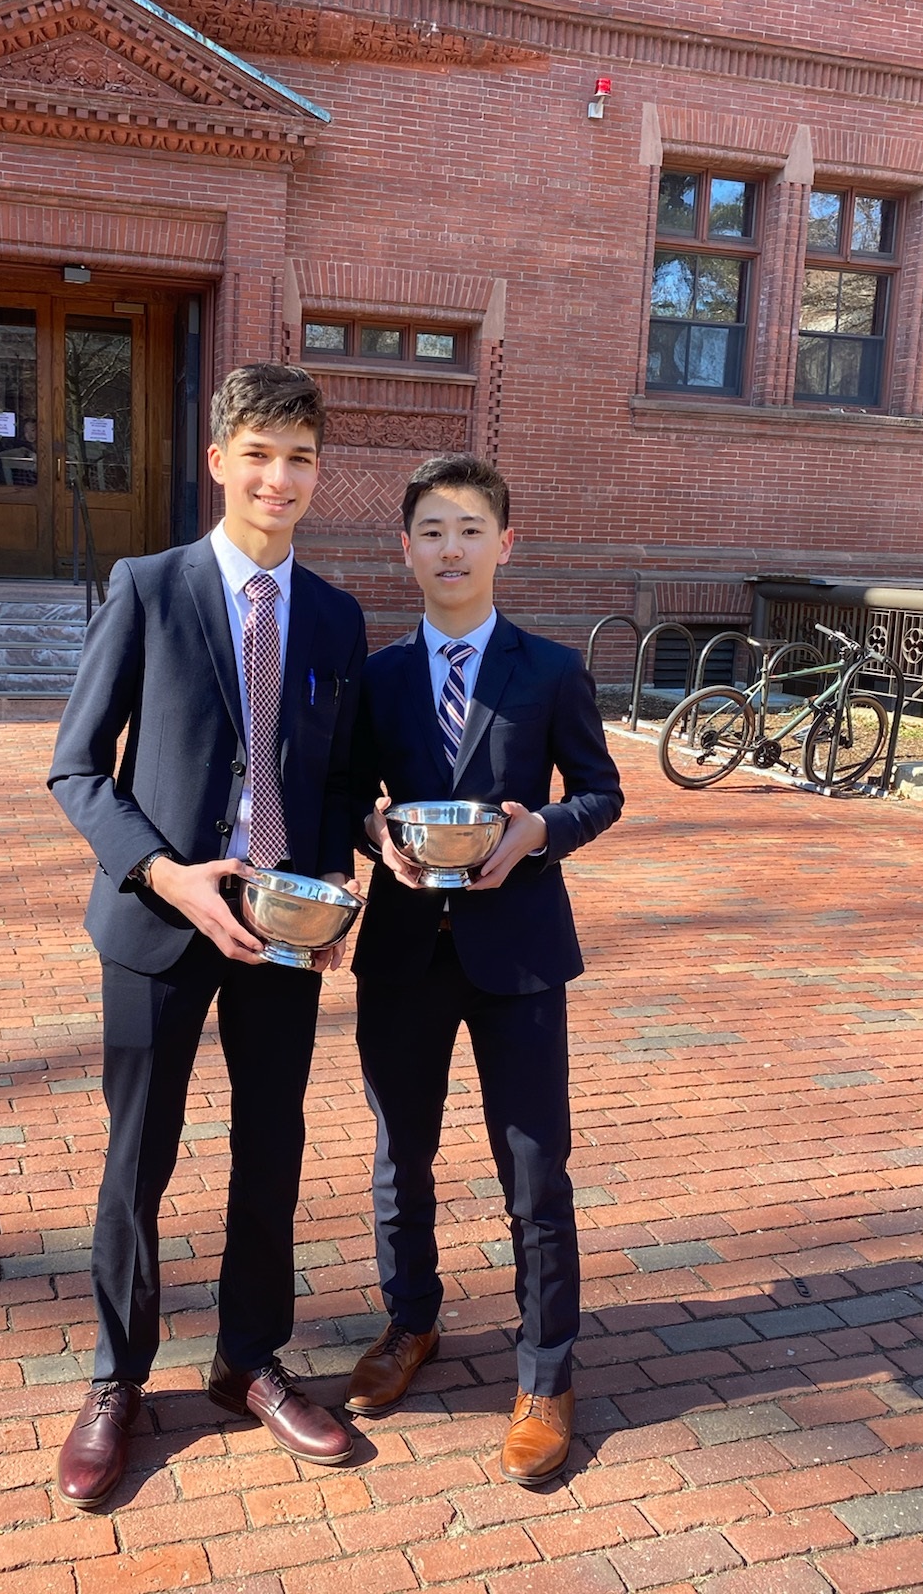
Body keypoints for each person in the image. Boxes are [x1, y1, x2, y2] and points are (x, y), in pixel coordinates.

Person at [48, 363, 367, 1508]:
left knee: (271, 1148)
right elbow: (77, 768)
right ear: (221, 459)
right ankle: (117, 1376)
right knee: (139, 1156)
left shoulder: (334, 614)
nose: (281, 478)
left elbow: (336, 779)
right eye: (261, 455)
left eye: (301, 459)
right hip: (160, 919)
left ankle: (249, 1359)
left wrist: (338, 891)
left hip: (282, 931)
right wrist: (167, 875)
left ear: (318, 473)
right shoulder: (150, 587)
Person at [344, 453, 622, 1486]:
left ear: (506, 544)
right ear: (405, 549)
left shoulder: (548, 669)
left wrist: (540, 829)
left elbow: (600, 790)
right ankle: (409, 1321)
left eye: (470, 530)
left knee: (535, 1168)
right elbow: (347, 795)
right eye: (432, 531)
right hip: (405, 950)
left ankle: (546, 1372)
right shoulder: (377, 676)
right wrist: (375, 831)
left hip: (520, 951)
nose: (450, 549)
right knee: (399, 1157)